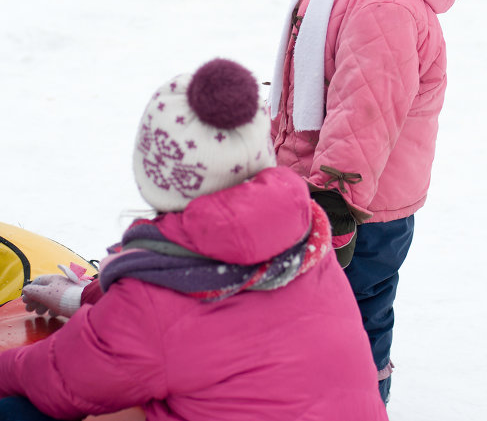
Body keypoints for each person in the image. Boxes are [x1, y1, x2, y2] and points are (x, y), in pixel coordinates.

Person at [0, 58, 388, 421]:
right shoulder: (301, 233)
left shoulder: (158, 296)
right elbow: (196, 326)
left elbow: (65, 377)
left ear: (157, 174)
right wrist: (83, 297)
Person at [269, 0, 466, 404]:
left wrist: (335, 200)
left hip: (358, 211)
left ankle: (355, 408)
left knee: (349, 327)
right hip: (322, 194)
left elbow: (368, 109)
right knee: (318, 326)